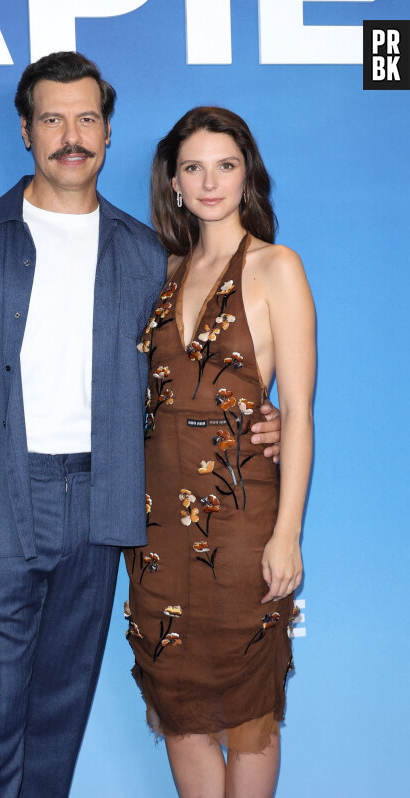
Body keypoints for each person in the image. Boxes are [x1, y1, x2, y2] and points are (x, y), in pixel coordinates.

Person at [0, 52, 282, 796]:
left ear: (108, 134)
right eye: (52, 118)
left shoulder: (147, 255)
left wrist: (257, 416)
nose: (70, 135)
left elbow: (191, 372)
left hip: (106, 507)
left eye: (87, 118)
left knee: (56, 725)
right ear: (25, 131)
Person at [124, 107, 315, 798]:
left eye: (225, 165)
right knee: (179, 706)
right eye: (193, 167)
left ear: (247, 175)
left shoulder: (275, 266)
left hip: (239, 523)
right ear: (172, 182)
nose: (210, 181)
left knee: (247, 710)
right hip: (153, 532)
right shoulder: (161, 271)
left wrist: (287, 534)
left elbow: (295, 412)